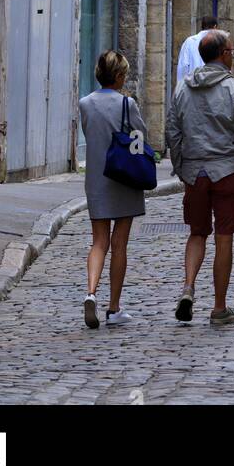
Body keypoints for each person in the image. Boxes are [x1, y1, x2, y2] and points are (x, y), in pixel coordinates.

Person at [166, 29, 234, 327]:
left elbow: (173, 132)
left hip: (195, 171)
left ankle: (188, 287)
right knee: (223, 237)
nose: (233, 54)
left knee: (196, 233)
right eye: (231, 50)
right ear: (223, 55)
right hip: (227, 170)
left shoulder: (183, 89)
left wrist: (182, 167)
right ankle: (219, 307)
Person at [78, 50, 147, 329]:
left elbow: (89, 134)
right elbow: (139, 140)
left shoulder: (85, 103)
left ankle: (91, 291)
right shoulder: (127, 104)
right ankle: (114, 307)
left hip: (96, 179)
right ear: (118, 76)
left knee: (98, 242)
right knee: (119, 245)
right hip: (124, 179)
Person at [175, 16, 218, 89]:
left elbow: (183, 67)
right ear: (215, 27)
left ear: (202, 26)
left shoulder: (189, 41)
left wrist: (180, 89)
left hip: (192, 88)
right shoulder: (219, 42)